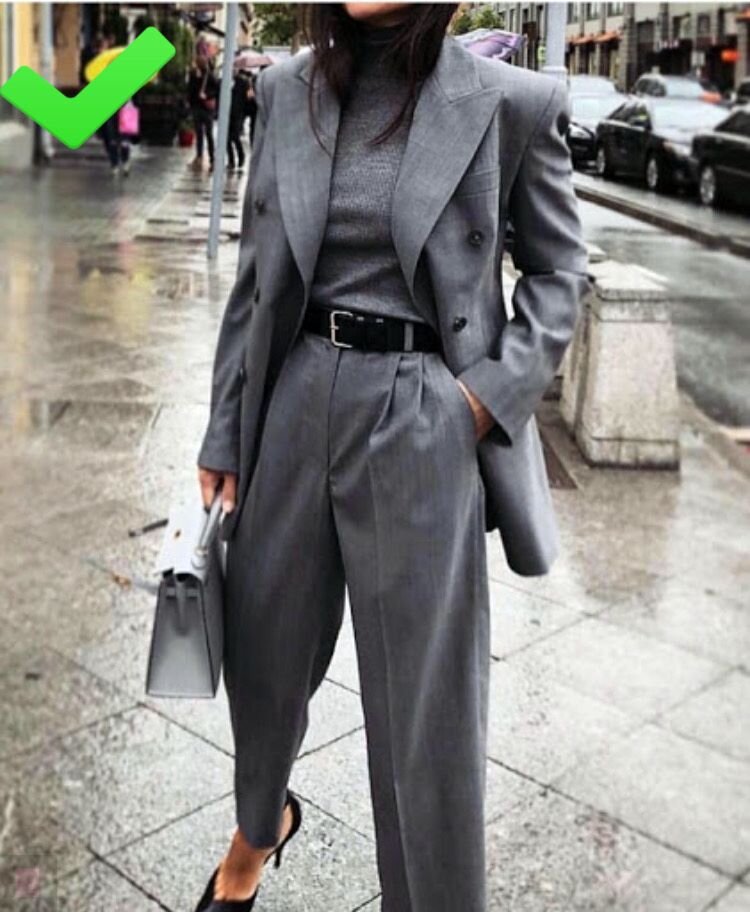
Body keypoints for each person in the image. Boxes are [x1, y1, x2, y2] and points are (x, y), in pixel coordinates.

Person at [194, 3, 590, 911]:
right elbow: (257, 282)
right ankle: (257, 829)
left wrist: (479, 401)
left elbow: (561, 274)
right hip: (294, 396)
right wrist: (223, 433)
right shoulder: (287, 90)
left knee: (426, 715)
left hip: (423, 414)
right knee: (262, 655)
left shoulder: (510, 102)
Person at [188, 56, 219, 170]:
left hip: (206, 108)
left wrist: (207, 95)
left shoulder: (209, 76)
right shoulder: (194, 75)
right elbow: (190, 90)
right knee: (199, 133)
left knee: (208, 134)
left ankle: (212, 158)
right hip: (197, 107)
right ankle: (199, 156)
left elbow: (217, 90)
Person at [227, 68, 250, 171]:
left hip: (238, 112)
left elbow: (247, 97)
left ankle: (241, 156)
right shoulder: (225, 81)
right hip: (227, 112)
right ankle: (231, 161)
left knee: (235, 136)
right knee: (227, 138)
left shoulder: (243, 82)